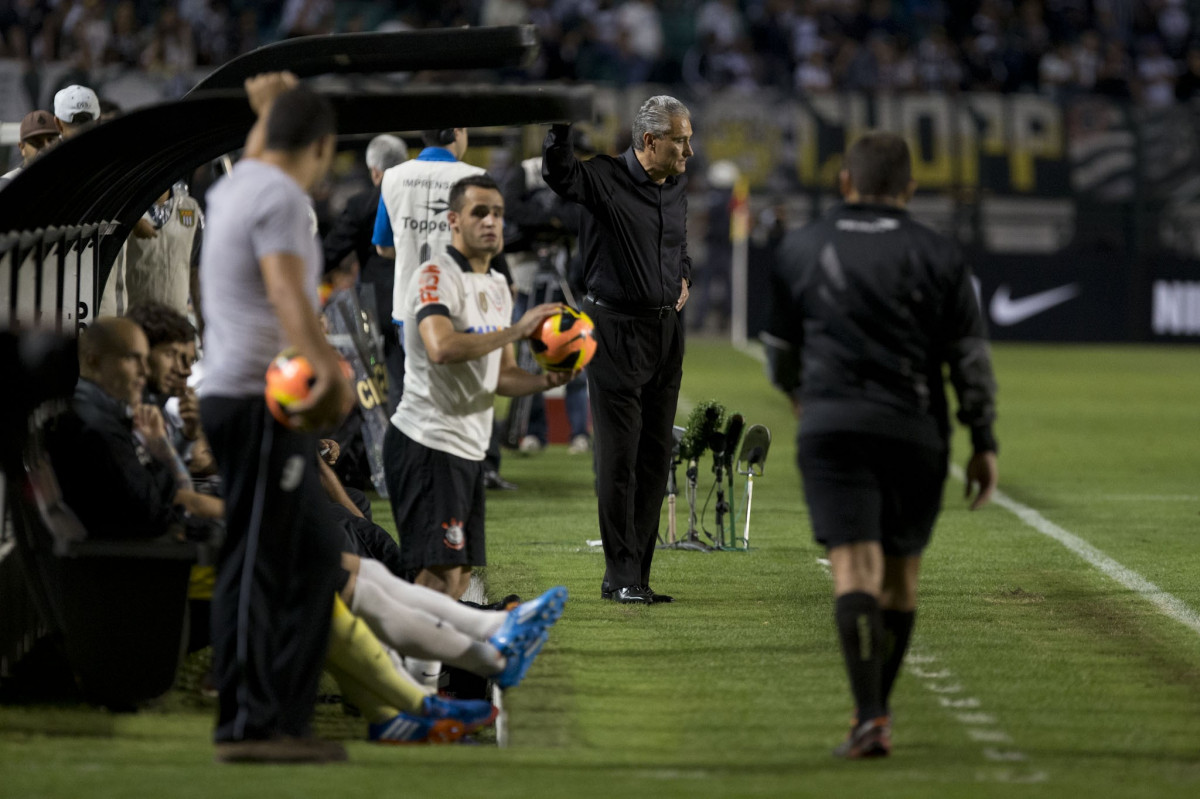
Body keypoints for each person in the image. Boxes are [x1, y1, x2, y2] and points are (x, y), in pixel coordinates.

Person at [763, 131, 999, 759]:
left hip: (832, 427)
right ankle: (877, 712)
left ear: (845, 181)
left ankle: (869, 716)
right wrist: (983, 440)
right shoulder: (941, 253)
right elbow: (969, 359)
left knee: (853, 573)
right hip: (914, 431)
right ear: (910, 190)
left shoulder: (801, 247)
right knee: (900, 582)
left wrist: (797, 397)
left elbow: (780, 353)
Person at [197, 73, 356, 764]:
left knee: (315, 555)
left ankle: (279, 718)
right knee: (254, 560)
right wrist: (330, 370)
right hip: (259, 400)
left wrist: (268, 110)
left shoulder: (238, 183)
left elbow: (269, 142)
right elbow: (290, 291)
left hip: (246, 397)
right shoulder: (282, 196)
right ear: (322, 147)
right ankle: (247, 725)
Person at [383, 174, 571, 682]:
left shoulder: (495, 287)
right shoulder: (434, 274)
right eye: (479, 213)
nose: (491, 222)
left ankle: (424, 683)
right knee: (437, 574)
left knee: (459, 573)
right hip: (426, 440)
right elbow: (442, 347)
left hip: (465, 447)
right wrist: (517, 329)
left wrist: (543, 380)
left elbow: (502, 375)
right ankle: (412, 690)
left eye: (497, 213)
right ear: (454, 221)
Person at [541, 96, 694, 605]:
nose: (689, 151)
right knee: (618, 458)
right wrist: (559, 129)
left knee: (655, 457)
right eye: (680, 140)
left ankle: (640, 576)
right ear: (650, 142)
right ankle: (620, 574)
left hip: (666, 334)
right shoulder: (603, 178)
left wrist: (684, 275)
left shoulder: (675, 189)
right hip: (614, 332)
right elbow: (561, 177)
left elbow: (677, 246)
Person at [373, 128, 518, 491]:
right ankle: (476, 471)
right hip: (465, 298)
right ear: (457, 133)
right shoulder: (473, 179)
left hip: (409, 305)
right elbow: (490, 242)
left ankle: (414, 477)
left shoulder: (394, 176)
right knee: (473, 391)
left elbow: (383, 248)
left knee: (411, 396)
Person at [323, 133, 408, 413]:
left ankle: (396, 451)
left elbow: (331, 252)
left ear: (375, 171)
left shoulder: (363, 205)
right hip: (424, 300)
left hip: (380, 308)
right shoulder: (420, 199)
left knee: (390, 384)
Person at [0, 110, 60, 188]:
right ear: (22, 148)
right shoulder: (8, 183)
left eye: (51, 140)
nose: (46, 146)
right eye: (37, 142)